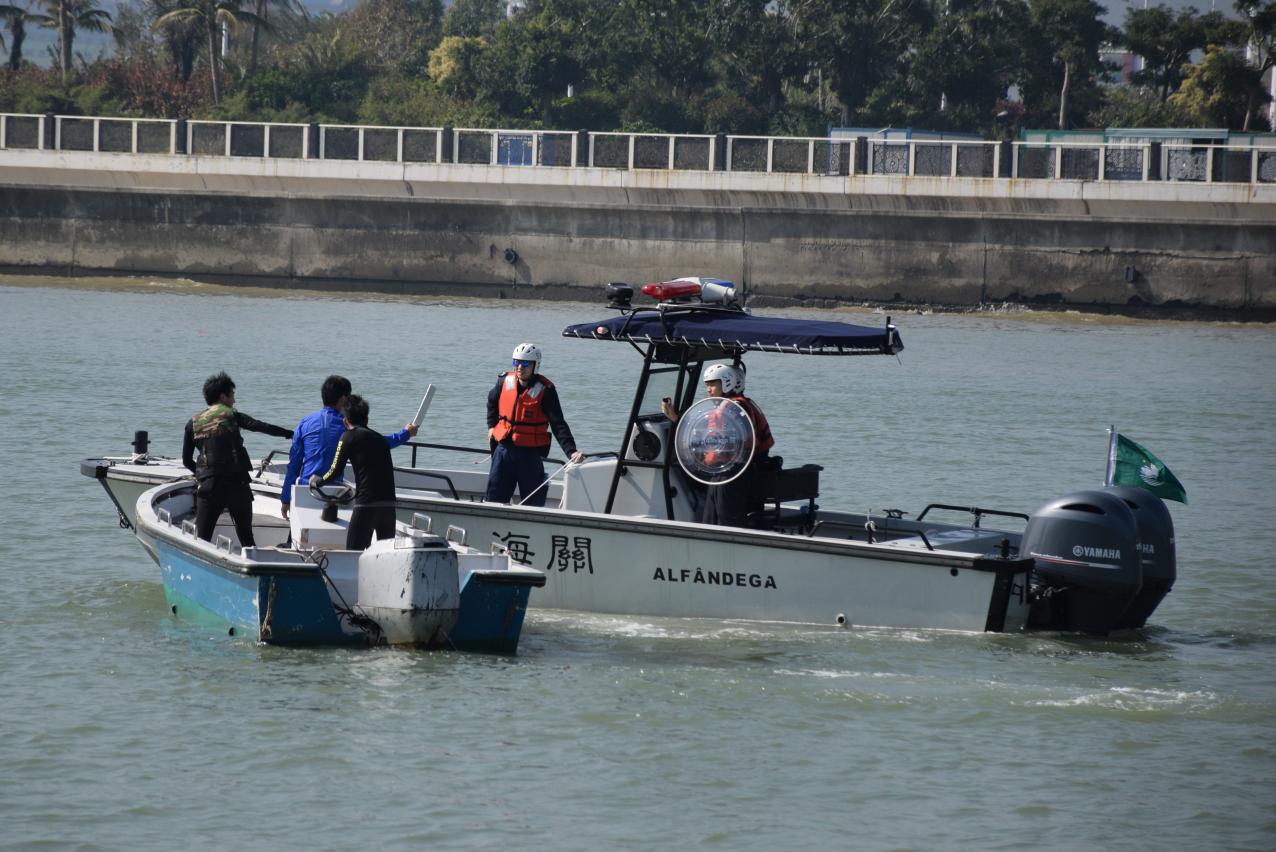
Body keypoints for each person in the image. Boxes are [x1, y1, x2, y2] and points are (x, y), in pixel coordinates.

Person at [182, 371, 293, 546]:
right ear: (223, 397)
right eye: (232, 395)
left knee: (201, 540)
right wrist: (290, 434)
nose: (234, 401)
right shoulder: (232, 415)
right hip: (238, 484)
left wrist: (203, 475)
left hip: (210, 487)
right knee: (247, 539)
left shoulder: (193, 423)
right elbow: (260, 426)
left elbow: (186, 460)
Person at [661, 363, 774, 527]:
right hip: (742, 470)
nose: (708, 389)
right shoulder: (742, 404)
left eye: (713, 385)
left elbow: (719, 445)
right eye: (707, 385)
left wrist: (702, 460)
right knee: (712, 516)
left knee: (725, 520)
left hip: (731, 474)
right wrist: (677, 419)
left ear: (727, 383)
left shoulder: (730, 409)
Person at [309, 394, 418, 550]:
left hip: (366, 505)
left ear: (345, 421)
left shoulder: (348, 437)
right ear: (367, 419)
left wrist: (317, 482)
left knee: (353, 552)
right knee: (385, 555)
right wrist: (406, 433)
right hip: (388, 506)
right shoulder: (380, 439)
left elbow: (334, 471)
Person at [485, 342, 586, 507]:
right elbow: (491, 402)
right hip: (503, 451)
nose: (520, 367)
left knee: (533, 502)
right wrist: (491, 426)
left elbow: (558, 423)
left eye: (525, 363)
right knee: (494, 499)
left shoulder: (546, 390)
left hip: (529, 455)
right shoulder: (503, 382)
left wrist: (571, 451)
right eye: (517, 362)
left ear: (535, 365)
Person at [280, 374, 352, 519]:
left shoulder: (304, 423)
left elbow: (294, 464)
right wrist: (402, 434)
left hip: (305, 490)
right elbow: (376, 443)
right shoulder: (347, 425)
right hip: (335, 492)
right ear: (343, 399)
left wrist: (286, 498)